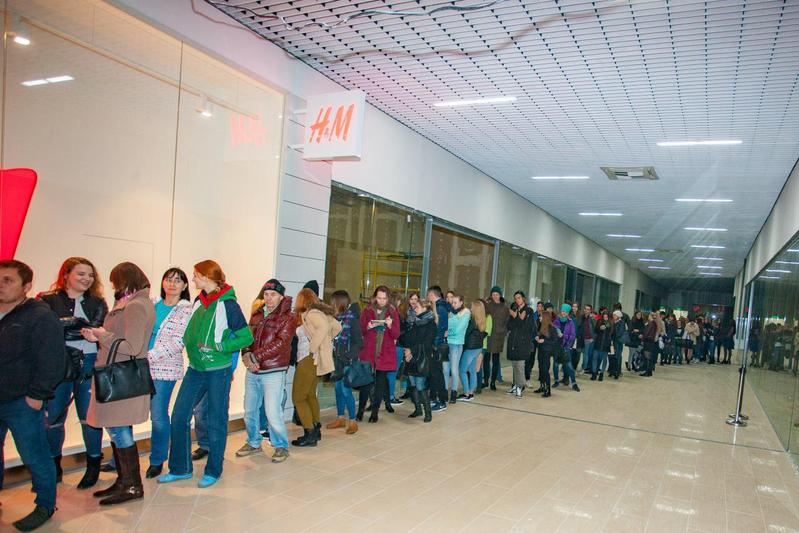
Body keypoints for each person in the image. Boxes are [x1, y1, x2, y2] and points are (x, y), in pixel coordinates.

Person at [158, 260, 253, 489]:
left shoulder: (229, 305)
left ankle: (213, 470)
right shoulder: (200, 300)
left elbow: (246, 337)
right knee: (179, 416)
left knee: (216, 420)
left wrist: (221, 347)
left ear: (209, 277)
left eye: (196, 276)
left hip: (217, 371)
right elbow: (192, 331)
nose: (193, 280)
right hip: (195, 369)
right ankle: (180, 468)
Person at [81, 262, 155, 506]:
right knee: (117, 429)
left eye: (116, 281)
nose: (114, 287)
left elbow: (132, 347)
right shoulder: (132, 303)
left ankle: (132, 485)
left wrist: (102, 334)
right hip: (118, 374)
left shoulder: (136, 306)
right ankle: (125, 481)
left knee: (120, 430)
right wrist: (99, 335)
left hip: (122, 377)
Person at [0, 260, 65, 531]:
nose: (1, 285)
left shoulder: (38, 315)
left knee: (34, 454)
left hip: (22, 400)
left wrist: (38, 394)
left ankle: (45, 504)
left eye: (8, 280)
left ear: (26, 286)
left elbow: (52, 359)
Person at [38, 257, 108, 490]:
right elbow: (47, 331)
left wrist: (69, 327)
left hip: (89, 363)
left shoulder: (98, 302)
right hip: (59, 363)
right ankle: (53, 467)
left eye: (90, 275)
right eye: (81, 274)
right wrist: (77, 326)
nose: (87, 279)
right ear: (66, 274)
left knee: (90, 419)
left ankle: (93, 466)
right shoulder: (46, 300)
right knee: (53, 419)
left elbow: (93, 330)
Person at [237, 279, 295, 462]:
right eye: (266, 294)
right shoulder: (257, 314)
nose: (269, 298)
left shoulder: (288, 317)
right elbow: (246, 337)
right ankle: (253, 442)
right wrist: (246, 355)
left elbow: (281, 343)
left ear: (281, 297)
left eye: (273, 295)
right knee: (250, 410)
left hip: (273, 371)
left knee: (272, 411)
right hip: (253, 371)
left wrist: (255, 357)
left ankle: (280, 446)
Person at [145, 268, 192, 479]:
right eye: (169, 279)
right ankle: (117, 458)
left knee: (158, 414)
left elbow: (179, 341)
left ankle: (157, 459)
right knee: (127, 410)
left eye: (178, 281)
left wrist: (148, 356)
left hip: (164, 368)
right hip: (138, 366)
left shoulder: (186, 310)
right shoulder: (152, 304)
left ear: (184, 286)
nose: (172, 284)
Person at [291, 288, 341, 445]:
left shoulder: (311, 314)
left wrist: (314, 346)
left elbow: (325, 329)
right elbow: (337, 327)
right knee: (310, 395)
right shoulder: (320, 312)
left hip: (308, 358)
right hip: (312, 359)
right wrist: (325, 342)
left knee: (298, 397)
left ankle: (309, 432)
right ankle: (315, 429)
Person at [358, 285, 400, 423]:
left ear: (388, 298)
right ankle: (360, 411)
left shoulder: (392, 312)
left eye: (384, 298)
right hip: (369, 351)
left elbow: (396, 334)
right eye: (379, 298)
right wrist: (368, 326)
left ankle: (374, 412)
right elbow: (360, 330)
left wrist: (390, 325)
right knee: (365, 383)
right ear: (375, 297)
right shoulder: (368, 310)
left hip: (384, 352)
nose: (382, 301)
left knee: (380, 384)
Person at [327, 290, 363, 435]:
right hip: (336, 359)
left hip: (347, 361)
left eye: (333, 302)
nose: (331, 305)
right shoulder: (336, 318)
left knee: (345, 390)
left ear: (339, 303)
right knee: (337, 389)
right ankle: (340, 417)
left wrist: (349, 357)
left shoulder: (351, 319)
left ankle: (353, 421)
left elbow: (359, 341)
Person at [399, 298, 437, 422]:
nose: (415, 309)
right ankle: (417, 409)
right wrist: (405, 347)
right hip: (411, 357)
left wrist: (411, 350)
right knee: (413, 385)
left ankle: (428, 413)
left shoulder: (431, 324)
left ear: (425, 309)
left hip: (422, 358)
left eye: (417, 307)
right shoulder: (415, 322)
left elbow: (427, 343)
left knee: (420, 385)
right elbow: (409, 338)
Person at [506, 291, 534, 398]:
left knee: (520, 366)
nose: (517, 300)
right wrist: (515, 316)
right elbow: (510, 326)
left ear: (523, 298)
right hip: (513, 341)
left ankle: (520, 386)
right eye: (515, 298)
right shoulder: (514, 309)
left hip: (522, 343)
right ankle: (515, 385)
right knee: (514, 365)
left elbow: (527, 328)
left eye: (519, 298)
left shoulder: (529, 311)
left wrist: (517, 318)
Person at [426, 286, 449, 412]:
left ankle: (441, 401)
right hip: (436, 344)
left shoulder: (440, 308)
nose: (427, 297)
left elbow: (437, 327)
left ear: (432, 294)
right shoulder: (442, 307)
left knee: (437, 374)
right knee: (435, 374)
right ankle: (435, 398)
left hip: (436, 345)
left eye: (428, 294)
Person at [459, 300, 487, 401]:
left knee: (462, 370)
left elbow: (465, 334)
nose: (470, 309)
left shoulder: (472, 321)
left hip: (470, 348)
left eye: (472, 307)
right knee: (472, 371)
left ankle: (466, 393)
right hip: (478, 348)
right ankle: (471, 392)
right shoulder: (482, 321)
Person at [445, 294, 471, 403]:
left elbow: (458, 329)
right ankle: (445, 393)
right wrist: (448, 330)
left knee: (454, 369)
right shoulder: (451, 313)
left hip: (456, 344)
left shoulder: (466, 313)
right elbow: (447, 325)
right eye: (452, 302)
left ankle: (454, 393)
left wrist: (448, 332)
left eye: (455, 302)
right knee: (445, 370)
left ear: (461, 302)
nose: (453, 305)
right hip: (447, 343)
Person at [483, 286, 509, 390]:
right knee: (486, 359)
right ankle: (485, 380)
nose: (495, 296)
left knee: (496, 360)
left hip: (498, 337)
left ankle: (493, 381)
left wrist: (503, 331)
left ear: (500, 295)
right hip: (487, 337)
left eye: (497, 294)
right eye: (493, 294)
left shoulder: (504, 308)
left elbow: (507, 322)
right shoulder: (487, 306)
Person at [534, 311, 560, 397]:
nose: (539, 318)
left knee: (545, 370)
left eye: (541, 317)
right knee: (541, 369)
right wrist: (537, 338)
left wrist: (544, 341)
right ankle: (542, 386)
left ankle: (548, 390)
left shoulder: (552, 328)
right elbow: (540, 337)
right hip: (541, 350)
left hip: (547, 352)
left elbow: (555, 342)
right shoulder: (541, 327)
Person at [553, 304, 579, 391]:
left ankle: (574, 383)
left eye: (565, 311)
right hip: (557, 346)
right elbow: (552, 330)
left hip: (565, 347)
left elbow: (573, 335)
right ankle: (556, 380)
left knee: (569, 365)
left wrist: (563, 336)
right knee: (555, 365)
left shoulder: (570, 322)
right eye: (563, 311)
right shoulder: (557, 321)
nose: (563, 313)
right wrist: (556, 332)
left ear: (568, 313)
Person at [592, 309, 612, 381]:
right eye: (604, 317)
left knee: (604, 359)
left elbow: (611, 333)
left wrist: (608, 326)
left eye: (606, 317)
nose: (605, 318)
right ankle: (594, 373)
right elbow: (595, 331)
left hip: (606, 344)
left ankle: (601, 374)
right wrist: (600, 328)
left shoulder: (610, 323)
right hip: (598, 343)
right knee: (595, 358)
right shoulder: (599, 322)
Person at [577, 304, 596, 373]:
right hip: (581, 338)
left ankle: (584, 368)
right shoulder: (581, 317)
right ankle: (580, 366)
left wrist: (593, 338)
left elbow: (595, 329)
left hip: (588, 339)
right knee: (579, 352)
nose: (586, 310)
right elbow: (578, 326)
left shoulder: (592, 319)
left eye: (588, 309)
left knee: (585, 354)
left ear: (590, 311)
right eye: (585, 309)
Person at [640, 311, 658, 377]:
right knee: (648, 357)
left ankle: (647, 372)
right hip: (650, 341)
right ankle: (649, 371)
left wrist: (642, 338)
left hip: (648, 342)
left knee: (647, 357)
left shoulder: (651, 323)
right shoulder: (653, 323)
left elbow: (647, 332)